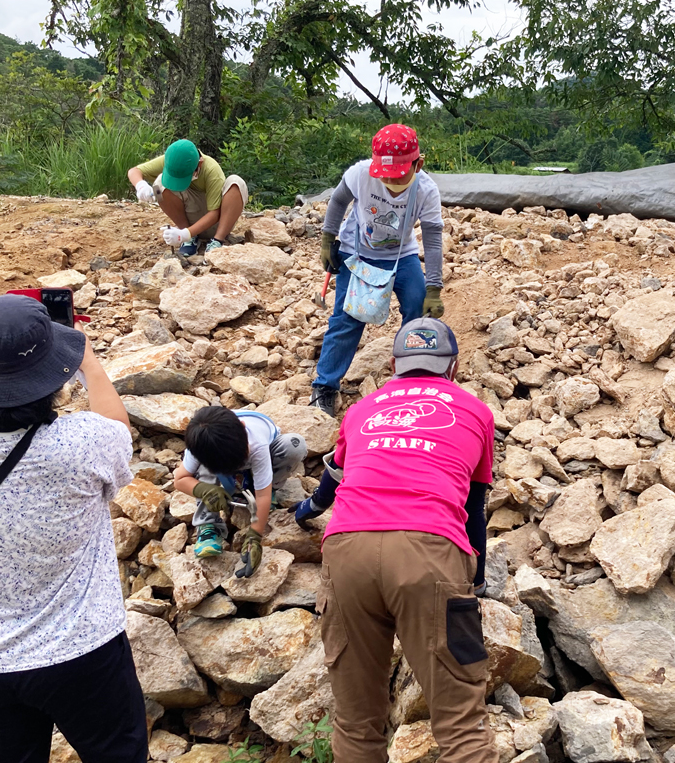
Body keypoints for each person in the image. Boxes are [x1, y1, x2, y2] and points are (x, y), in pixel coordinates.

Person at [0, 294, 146, 762]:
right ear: (52, 375)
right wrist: (89, 362)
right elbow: (120, 433)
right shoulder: (82, 441)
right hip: (84, 653)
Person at [291, 317, 496, 763]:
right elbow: (473, 508)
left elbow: (335, 477)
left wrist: (306, 510)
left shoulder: (362, 409)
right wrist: (475, 583)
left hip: (346, 551)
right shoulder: (476, 411)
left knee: (356, 721)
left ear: (393, 364)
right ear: (453, 366)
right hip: (429, 549)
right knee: (461, 725)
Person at [309, 124, 446, 417]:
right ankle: (325, 386)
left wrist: (434, 288)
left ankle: (413, 375)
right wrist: (327, 239)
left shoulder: (426, 191)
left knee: (417, 308)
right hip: (356, 251)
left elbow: (433, 241)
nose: (388, 182)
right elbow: (337, 201)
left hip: (402, 255)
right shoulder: (360, 174)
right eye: (383, 175)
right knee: (347, 318)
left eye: (397, 176)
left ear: (417, 164)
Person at [172, 406, 306, 573]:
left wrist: (254, 536)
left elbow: (262, 495)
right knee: (202, 469)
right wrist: (203, 490)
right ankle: (208, 525)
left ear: (243, 427)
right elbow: (180, 479)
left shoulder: (256, 443)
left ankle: (258, 486)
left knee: (294, 445)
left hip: (262, 461)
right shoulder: (200, 445)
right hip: (224, 468)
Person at [127, 139, 248, 258]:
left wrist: (184, 234)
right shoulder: (173, 160)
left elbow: (214, 213)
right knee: (158, 185)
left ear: (199, 164)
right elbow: (134, 171)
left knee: (236, 182)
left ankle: (217, 240)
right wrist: (141, 186)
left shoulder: (211, 170)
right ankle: (191, 239)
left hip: (217, 223)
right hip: (190, 220)